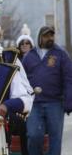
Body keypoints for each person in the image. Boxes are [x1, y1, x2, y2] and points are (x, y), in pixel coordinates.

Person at [22, 26, 72, 155]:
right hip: (34, 104)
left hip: (55, 103)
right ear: (39, 37)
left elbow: (68, 78)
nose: (50, 38)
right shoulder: (29, 56)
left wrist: (69, 99)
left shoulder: (61, 54)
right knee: (34, 135)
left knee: (55, 139)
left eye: (51, 35)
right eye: (46, 36)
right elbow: (21, 79)